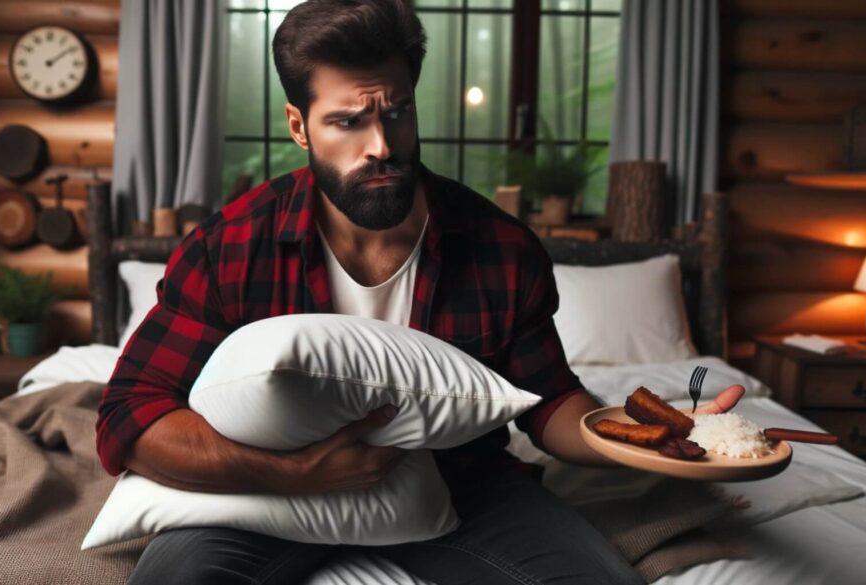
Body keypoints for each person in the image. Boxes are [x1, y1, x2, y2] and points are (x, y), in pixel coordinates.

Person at [97, 1, 744, 583]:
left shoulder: (500, 247)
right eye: (348, 120)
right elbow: (131, 411)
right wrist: (288, 474)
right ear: (299, 126)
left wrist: (641, 431)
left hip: (464, 485)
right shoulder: (230, 248)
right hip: (264, 492)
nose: (381, 145)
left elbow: (548, 404)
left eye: (397, 112)